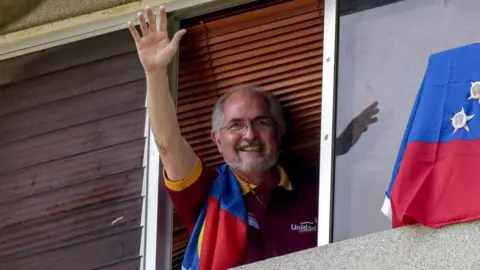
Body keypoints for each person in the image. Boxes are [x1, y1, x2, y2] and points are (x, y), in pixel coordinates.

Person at [128, 6, 379, 270]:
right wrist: (155, 73)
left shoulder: (314, 188)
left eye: (261, 122)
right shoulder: (208, 191)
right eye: (236, 125)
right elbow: (167, 144)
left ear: (279, 132)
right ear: (217, 140)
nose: (249, 134)